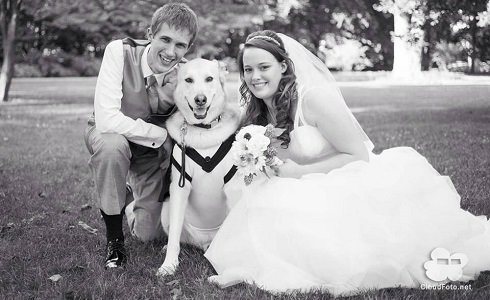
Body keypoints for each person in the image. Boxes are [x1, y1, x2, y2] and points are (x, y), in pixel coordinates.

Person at [204, 30, 490, 296]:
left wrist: (300, 173)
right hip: (296, 180)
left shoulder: (313, 100)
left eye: (263, 67)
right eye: (248, 69)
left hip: (347, 177)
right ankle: (252, 266)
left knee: (293, 207)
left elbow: (358, 155)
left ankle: (270, 267)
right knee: (265, 197)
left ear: (283, 66)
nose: (254, 77)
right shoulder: (258, 108)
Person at [83, 3, 198, 269]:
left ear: (188, 49)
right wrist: (159, 134)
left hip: (150, 154)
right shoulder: (119, 51)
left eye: (180, 45)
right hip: (108, 135)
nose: (171, 52)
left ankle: (130, 201)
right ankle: (115, 241)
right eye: (165, 39)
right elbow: (107, 119)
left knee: (149, 235)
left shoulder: (187, 73)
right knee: (113, 147)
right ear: (150, 34)